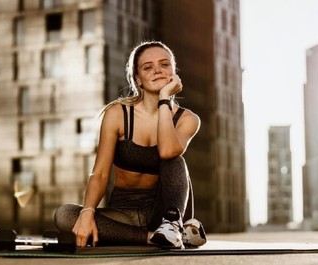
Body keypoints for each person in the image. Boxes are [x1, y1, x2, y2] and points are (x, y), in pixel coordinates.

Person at [54, 40, 206, 249]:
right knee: (65, 215)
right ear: (138, 79)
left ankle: (173, 227)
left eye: (164, 65)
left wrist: (164, 99)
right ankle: (154, 238)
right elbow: (100, 174)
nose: (157, 71)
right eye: (147, 67)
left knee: (173, 160)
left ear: (173, 72)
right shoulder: (118, 114)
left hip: (164, 211)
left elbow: (168, 150)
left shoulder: (187, 119)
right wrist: (87, 212)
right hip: (122, 214)